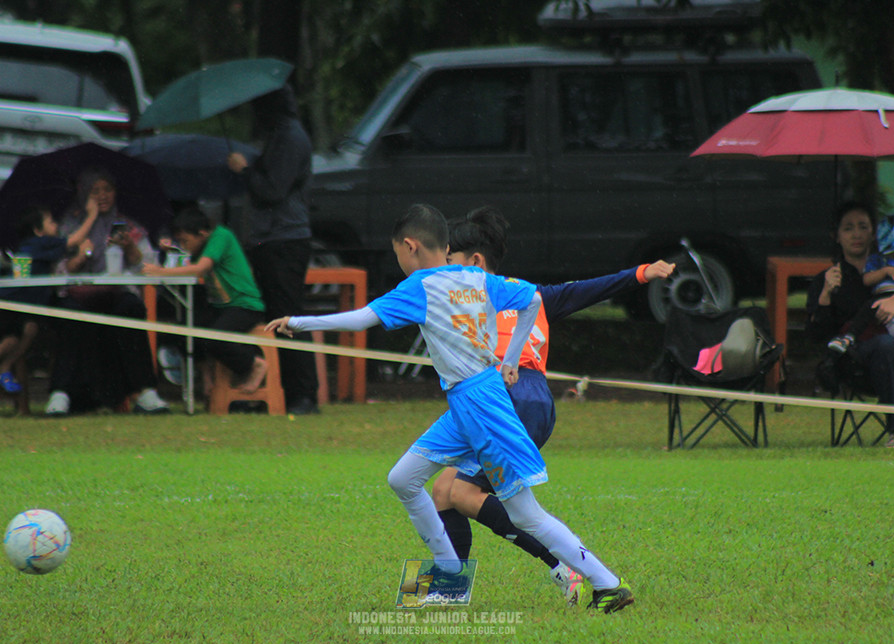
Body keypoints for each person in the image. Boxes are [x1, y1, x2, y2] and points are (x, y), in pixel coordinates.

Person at [268, 204, 635, 613]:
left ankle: (608, 583)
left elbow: (360, 320)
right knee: (403, 477)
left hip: (482, 405)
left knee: (527, 514)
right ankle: (445, 577)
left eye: (397, 255)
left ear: (410, 247)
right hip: (470, 400)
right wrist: (510, 360)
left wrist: (298, 322)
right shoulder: (476, 276)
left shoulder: (421, 285)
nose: (400, 263)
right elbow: (532, 299)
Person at [430, 206, 673, 606]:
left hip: (508, 399)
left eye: (450, 258)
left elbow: (593, 287)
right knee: (446, 490)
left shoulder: (490, 295)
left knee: (461, 492)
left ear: (474, 260)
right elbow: (593, 287)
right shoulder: (526, 294)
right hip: (530, 402)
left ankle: (567, 571)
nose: (444, 267)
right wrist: (642, 272)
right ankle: (453, 591)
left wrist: (641, 273)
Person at [806, 202, 894, 448]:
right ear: (837, 236)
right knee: (886, 345)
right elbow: (815, 334)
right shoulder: (831, 277)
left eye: (862, 227)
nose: (856, 234)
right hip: (860, 357)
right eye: (848, 228)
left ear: (873, 233)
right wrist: (825, 294)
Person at [45, 167, 168, 416]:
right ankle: (61, 394)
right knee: (70, 317)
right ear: (83, 194)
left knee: (131, 308)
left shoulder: (126, 224)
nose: (102, 196)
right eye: (95, 191)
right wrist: (84, 250)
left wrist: (129, 245)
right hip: (79, 295)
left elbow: (144, 265)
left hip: (114, 293)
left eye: (107, 190)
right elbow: (59, 272)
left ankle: (145, 392)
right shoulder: (70, 225)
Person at [227, 83, 318, 415]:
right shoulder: (283, 134)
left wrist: (245, 170)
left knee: (288, 316)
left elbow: (273, 189)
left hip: (285, 238)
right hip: (272, 237)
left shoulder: (290, 137)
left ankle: (304, 393)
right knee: (273, 315)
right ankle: (280, 391)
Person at [143, 208, 267, 395]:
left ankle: (254, 364)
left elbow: (201, 268)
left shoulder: (221, 236)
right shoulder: (201, 246)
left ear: (201, 233)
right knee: (184, 330)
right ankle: (206, 376)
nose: (184, 246)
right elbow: (187, 265)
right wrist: (172, 250)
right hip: (221, 307)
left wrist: (161, 272)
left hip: (244, 305)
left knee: (216, 339)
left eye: (185, 241)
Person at [0, 205, 94, 394]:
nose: (56, 225)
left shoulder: (37, 247)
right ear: (38, 231)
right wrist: (92, 215)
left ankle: (4, 368)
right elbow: (75, 240)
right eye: (51, 222)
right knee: (10, 341)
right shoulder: (40, 243)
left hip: (24, 308)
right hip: (6, 306)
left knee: (31, 329)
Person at [827, 214, 894, 384]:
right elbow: (867, 279)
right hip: (881, 297)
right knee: (866, 311)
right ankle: (848, 338)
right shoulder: (877, 260)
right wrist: (884, 271)